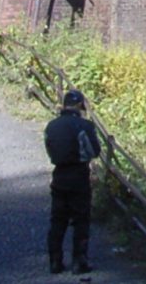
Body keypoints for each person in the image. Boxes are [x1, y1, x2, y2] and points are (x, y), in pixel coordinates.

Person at [42, 86, 104, 276]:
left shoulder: (51, 126)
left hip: (59, 174)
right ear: (79, 106)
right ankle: (79, 261)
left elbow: (49, 149)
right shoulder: (85, 126)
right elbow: (94, 151)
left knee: (57, 220)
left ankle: (55, 261)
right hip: (78, 175)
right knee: (81, 219)